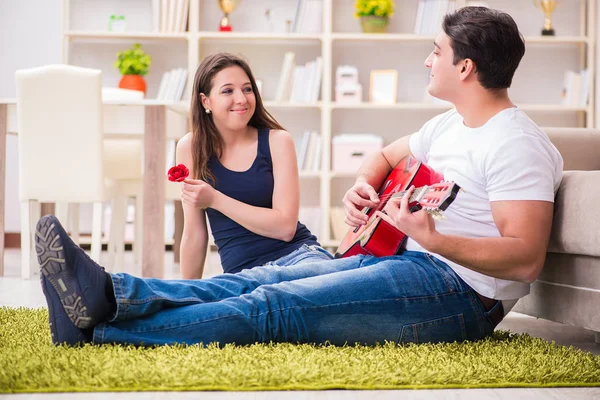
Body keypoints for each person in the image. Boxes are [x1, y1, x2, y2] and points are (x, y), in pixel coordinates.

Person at [38, 6, 563, 347]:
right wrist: (363, 186)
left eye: (437, 52)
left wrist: (435, 238)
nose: (428, 62)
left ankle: (98, 331)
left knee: (274, 307)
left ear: (465, 68)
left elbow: (525, 256)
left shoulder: (514, 143)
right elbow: (383, 156)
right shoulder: (450, 123)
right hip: (404, 258)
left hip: (458, 294)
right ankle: (109, 292)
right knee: (256, 281)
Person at [176, 53, 332, 279]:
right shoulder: (190, 147)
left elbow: (285, 228)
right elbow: (194, 234)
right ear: (205, 101)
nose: (241, 99)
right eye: (228, 91)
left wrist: (215, 199)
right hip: (245, 276)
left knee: (293, 294)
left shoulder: (278, 141)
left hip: (300, 258)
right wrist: (186, 297)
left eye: (247, 89)